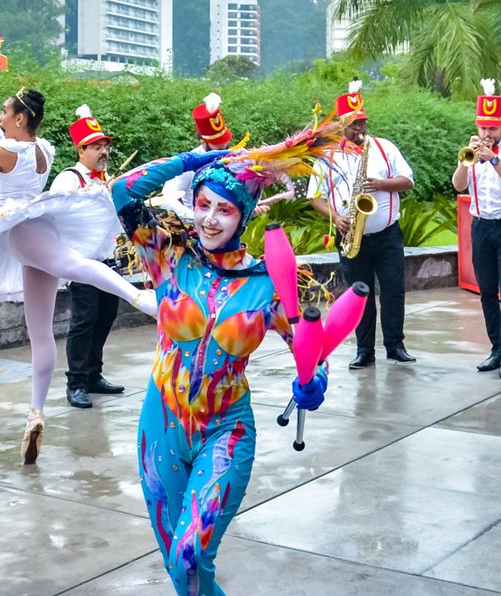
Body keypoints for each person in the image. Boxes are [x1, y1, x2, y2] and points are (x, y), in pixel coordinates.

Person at [109, 122, 338, 595]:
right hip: (161, 428)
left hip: (225, 430)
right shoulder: (168, 255)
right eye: (202, 204)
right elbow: (122, 190)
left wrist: (315, 381)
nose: (210, 219)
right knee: (180, 567)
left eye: (225, 210)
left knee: (192, 554)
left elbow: (309, 351)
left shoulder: (269, 280)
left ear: (245, 215)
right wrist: (196, 161)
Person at [0, 75, 155, 464]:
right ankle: (34, 414)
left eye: (5, 110)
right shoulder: (42, 150)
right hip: (42, 225)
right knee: (41, 328)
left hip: (20, 231)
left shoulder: (9, 151)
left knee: (70, 270)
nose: (1, 114)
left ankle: (139, 297)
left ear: (20, 119)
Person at [308, 80, 417, 368]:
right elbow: (315, 196)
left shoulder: (383, 148)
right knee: (360, 295)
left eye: (363, 123)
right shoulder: (328, 155)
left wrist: (381, 184)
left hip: (387, 235)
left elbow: (408, 180)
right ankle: (364, 351)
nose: (360, 130)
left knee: (394, 290)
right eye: (355, 125)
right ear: (341, 125)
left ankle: (395, 346)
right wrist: (336, 217)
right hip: (350, 237)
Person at [50, 104, 133, 409]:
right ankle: (76, 382)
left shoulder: (105, 178)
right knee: (84, 320)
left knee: (107, 315)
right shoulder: (69, 179)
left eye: (105, 146)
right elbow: (56, 217)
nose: (103, 152)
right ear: (81, 149)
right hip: (81, 263)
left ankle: (93, 374)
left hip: (107, 259)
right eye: (97, 147)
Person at [452, 79, 501, 379]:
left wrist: (494, 159)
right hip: (481, 228)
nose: (487, 134)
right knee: (486, 290)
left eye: (493, 129)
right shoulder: (470, 153)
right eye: (483, 128)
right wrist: (464, 160)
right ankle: (496, 348)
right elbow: (458, 186)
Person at [158, 92, 237, 219]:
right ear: (202, 141)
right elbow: (166, 199)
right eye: (217, 143)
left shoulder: (236, 158)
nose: (223, 147)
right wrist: (196, 218)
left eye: (224, 141)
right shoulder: (189, 162)